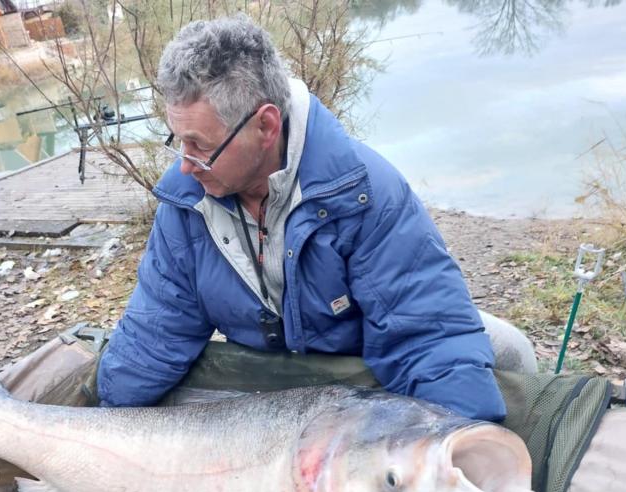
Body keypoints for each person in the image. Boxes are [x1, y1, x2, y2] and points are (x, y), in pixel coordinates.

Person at [97, 15, 506, 420]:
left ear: (266, 126)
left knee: (509, 351)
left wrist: (461, 450)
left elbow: (424, 337)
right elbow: (156, 333)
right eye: (178, 142)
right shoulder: (187, 202)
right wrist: (105, 415)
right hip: (272, 395)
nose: (185, 167)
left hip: (358, 378)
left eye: (199, 145)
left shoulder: (365, 194)